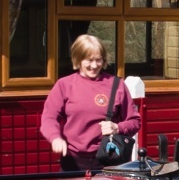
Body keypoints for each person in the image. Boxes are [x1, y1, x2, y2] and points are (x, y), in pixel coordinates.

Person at [39, 33, 139, 170]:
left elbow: (134, 121)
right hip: (73, 160)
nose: (94, 65)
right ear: (78, 59)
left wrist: (117, 128)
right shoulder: (64, 85)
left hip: (108, 158)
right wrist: (55, 138)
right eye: (89, 60)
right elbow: (49, 118)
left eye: (98, 60)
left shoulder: (117, 85)